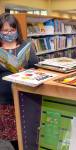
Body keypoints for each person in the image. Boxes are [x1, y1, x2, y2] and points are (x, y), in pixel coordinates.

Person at [0, 13, 38, 149]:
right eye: (5, 30)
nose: (8, 33)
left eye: (12, 30)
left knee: (28, 131)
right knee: (12, 135)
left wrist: (27, 72)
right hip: (5, 101)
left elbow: (35, 66)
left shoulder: (26, 45)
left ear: (17, 30)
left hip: (25, 97)